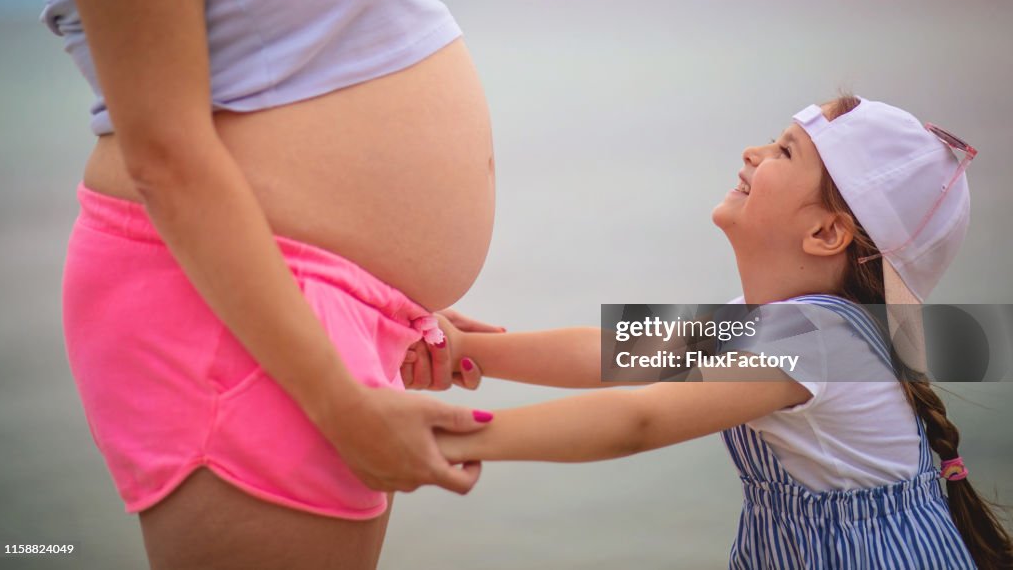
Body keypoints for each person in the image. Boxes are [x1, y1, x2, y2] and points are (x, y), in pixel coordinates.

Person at [5, 0, 500, 567]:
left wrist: (394, 299)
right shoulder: (700, 352)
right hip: (234, 315)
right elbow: (165, 152)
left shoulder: (702, 355)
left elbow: (660, 398)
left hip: (325, 301)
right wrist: (342, 404)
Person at [425, 96, 1013, 569]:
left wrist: (447, 441)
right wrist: (471, 351)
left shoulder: (815, 339)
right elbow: (608, 351)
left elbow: (640, 420)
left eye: (785, 151)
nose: (753, 152)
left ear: (828, 233)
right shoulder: (794, 325)